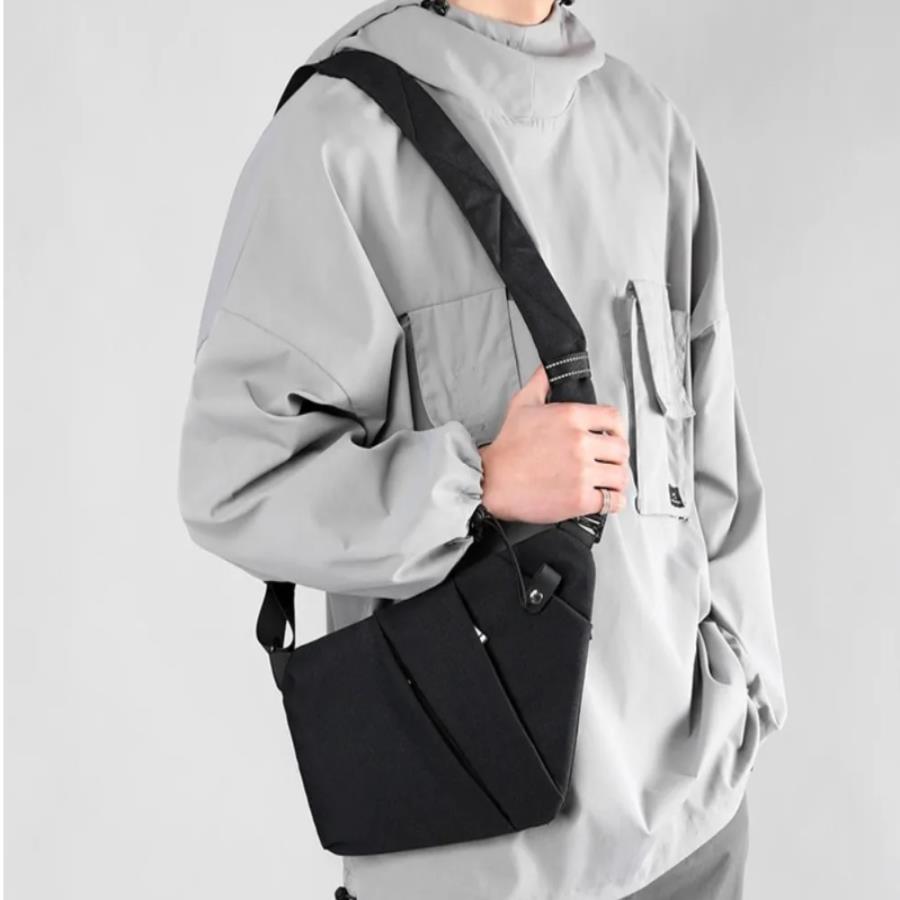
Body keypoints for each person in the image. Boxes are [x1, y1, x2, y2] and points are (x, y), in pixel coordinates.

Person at [177, 0, 788, 897]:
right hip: (476, 862)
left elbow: (712, 461)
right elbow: (234, 480)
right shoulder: (341, 141)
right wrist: (482, 481)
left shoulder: (648, 130)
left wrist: (744, 694)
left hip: (692, 841)